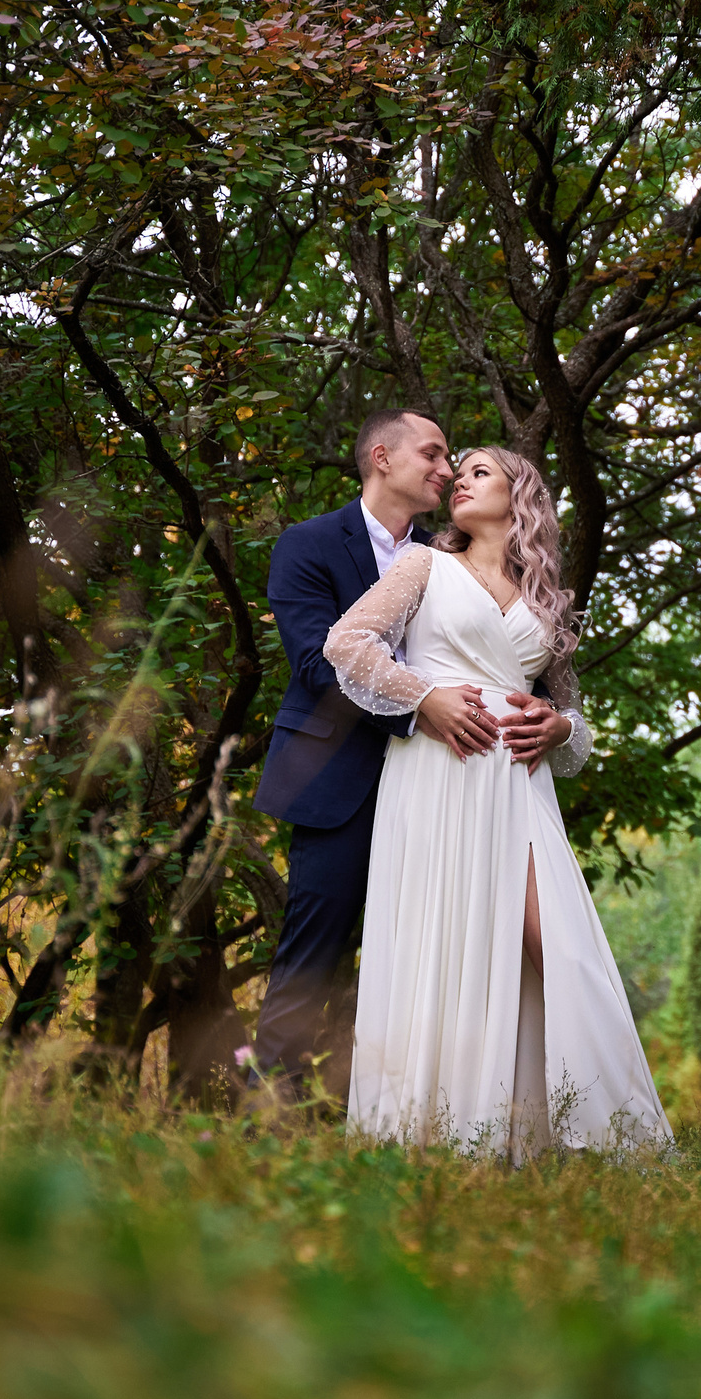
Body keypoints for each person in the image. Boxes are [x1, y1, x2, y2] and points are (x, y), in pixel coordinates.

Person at [323, 446, 671, 1159]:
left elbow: (575, 720)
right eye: (459, 471)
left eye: (480, 471)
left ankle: (620, 1139)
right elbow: (347, 643)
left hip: (518, 785)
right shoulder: (423, 565)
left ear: (521, 496)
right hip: (438, 774)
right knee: (445, 940)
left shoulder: (549, 599)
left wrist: (561, 725)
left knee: (563, 946)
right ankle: (439, 1137)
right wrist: (427, 696)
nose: (458, 479)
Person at [251, 411, 578, 1101]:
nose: (445, 468)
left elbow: (528, 674)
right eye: (432, 455)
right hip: (338, 779)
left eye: (453, 461)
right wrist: (422, 703)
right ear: (381, 457)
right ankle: (271, 1121)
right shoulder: (307, 544)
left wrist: (559, 725)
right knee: (316, 955)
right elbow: (317, 662)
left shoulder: (449, 555)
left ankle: (455, 1101)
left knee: (441, 950)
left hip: (452, 783)